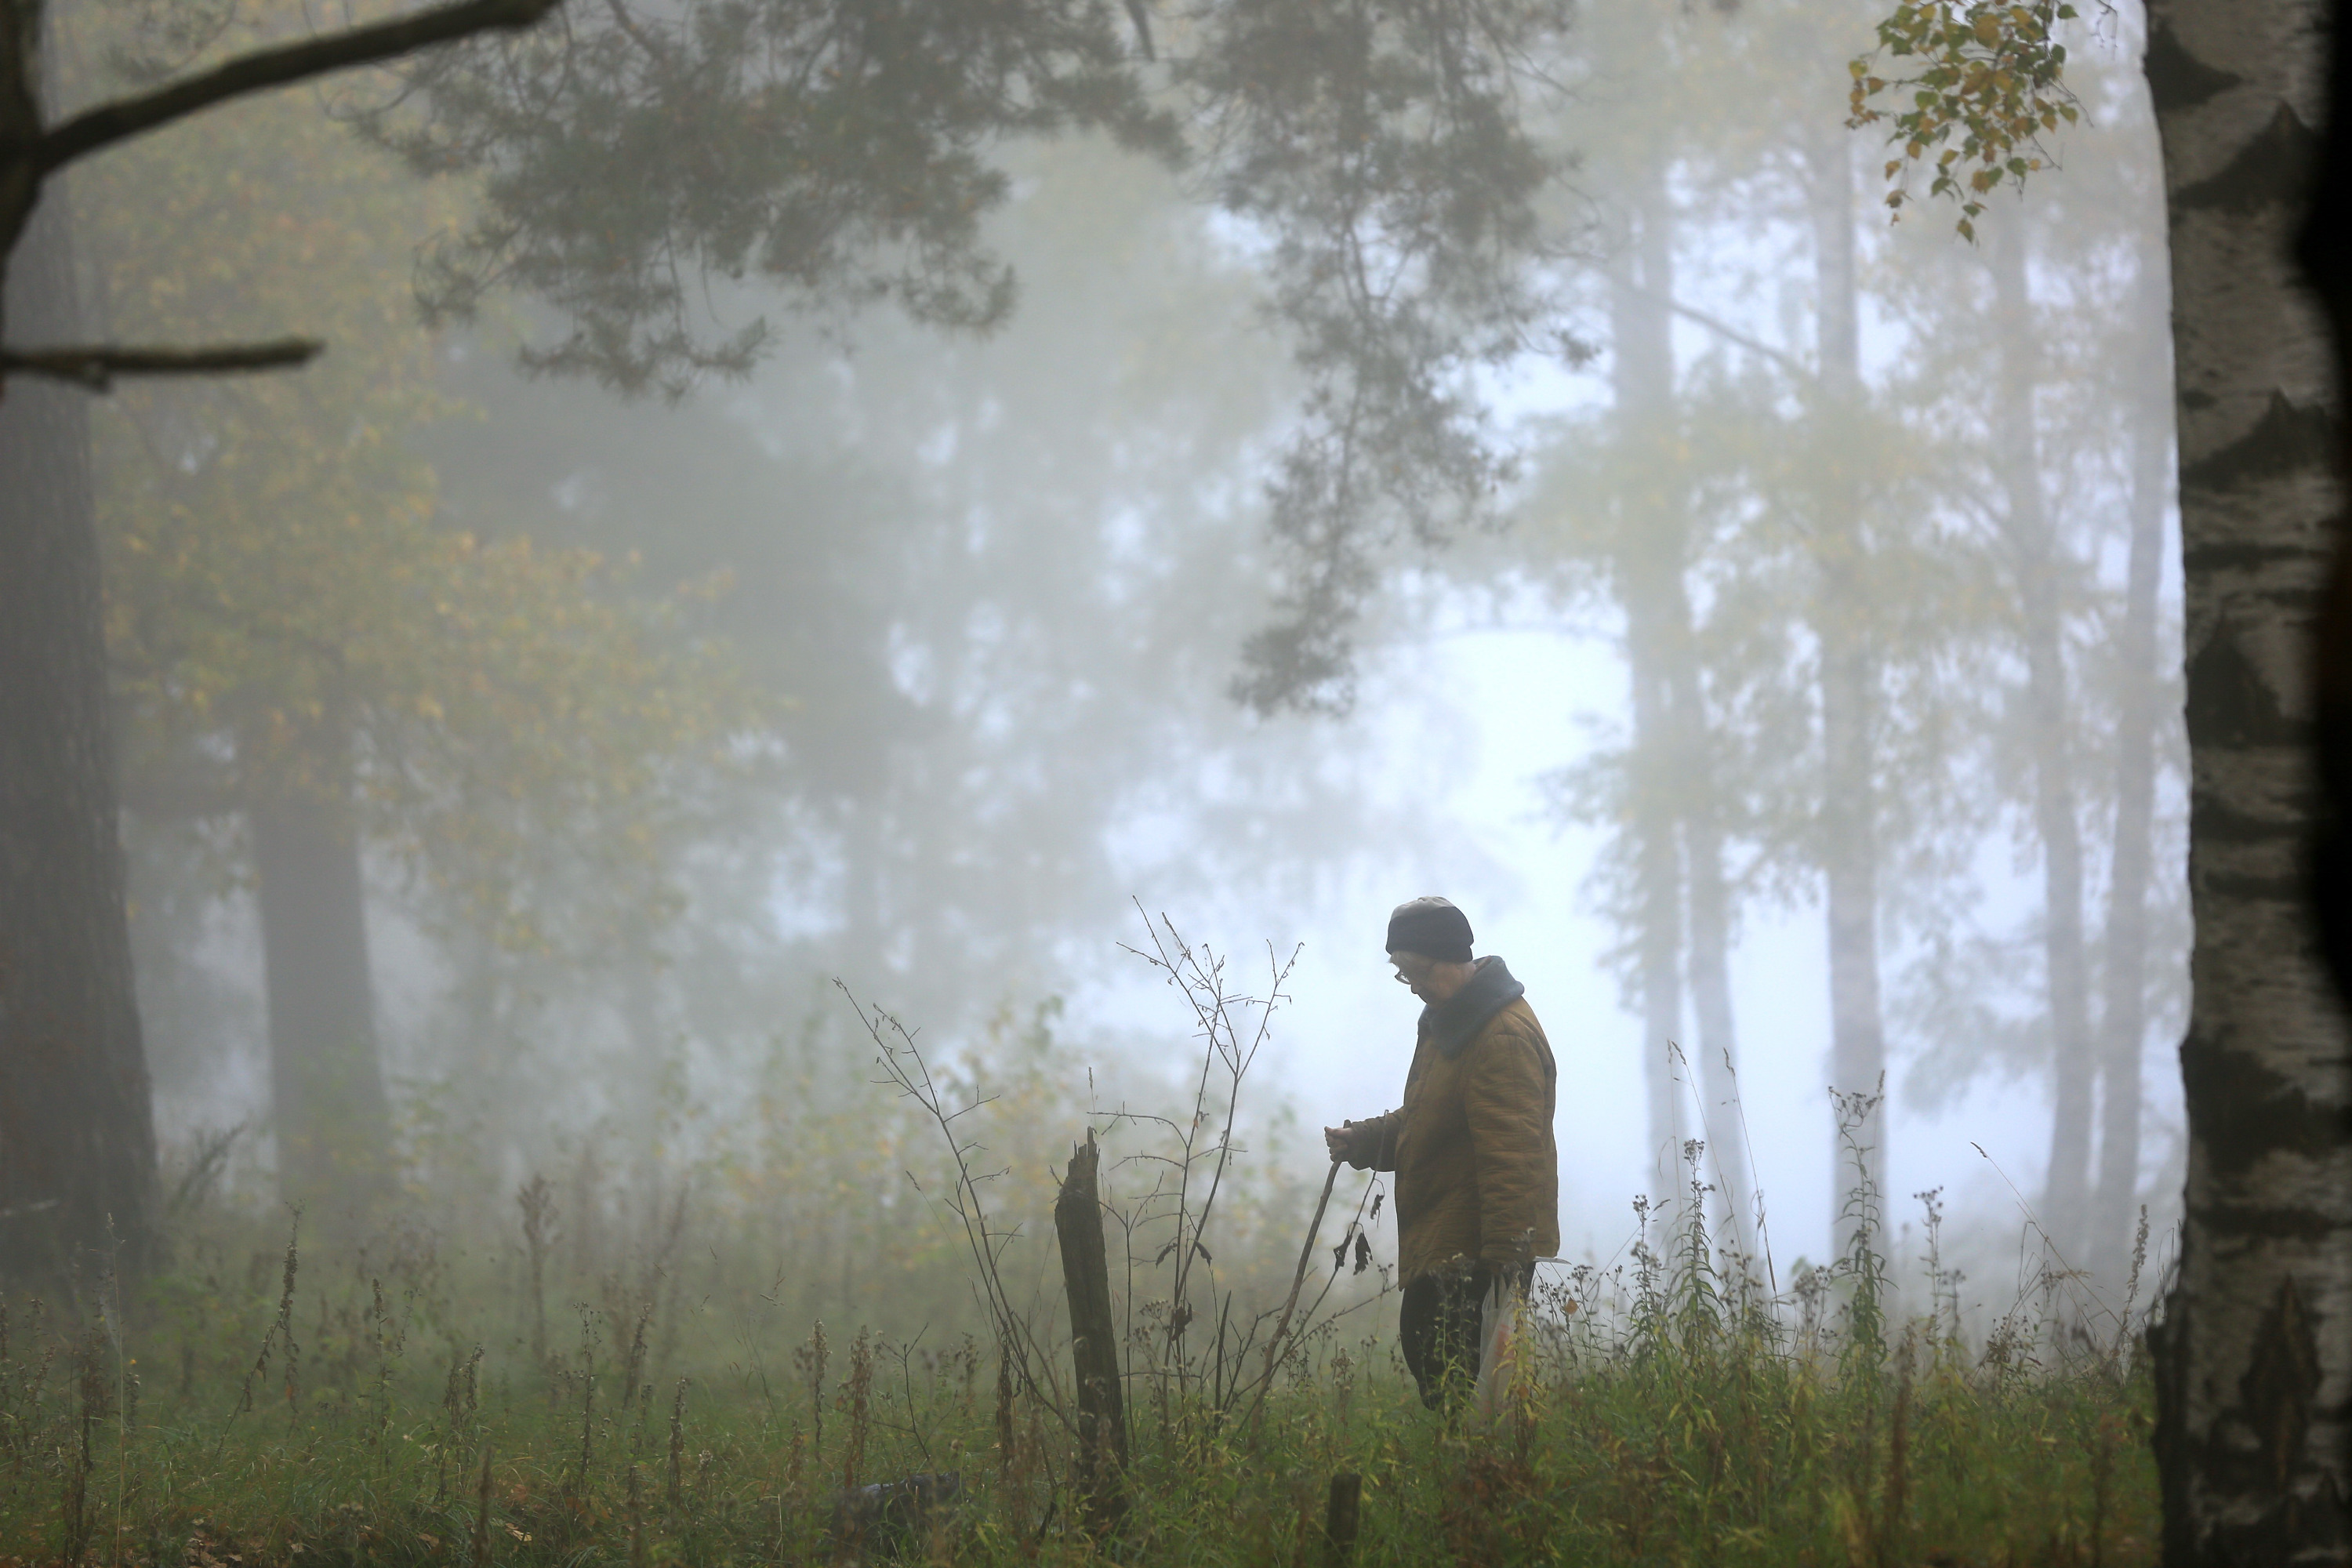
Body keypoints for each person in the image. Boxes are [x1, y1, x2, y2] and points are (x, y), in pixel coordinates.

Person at [1323, 896, 1559, 1409]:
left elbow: (1513, 1162)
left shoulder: (1500, 1038)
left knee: (1471, 1398)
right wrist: (1364, 1140)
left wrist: (1501, 1276)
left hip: (1478, 1256)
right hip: (1448, 1243)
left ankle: (1481, 1484)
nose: (1412, 986)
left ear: (1451, 957)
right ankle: (1468, 1479)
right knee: (1444, 1381)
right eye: (1402, 974)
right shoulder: (1451, 1024)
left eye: (1417, 972)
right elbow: (1432, 1119)